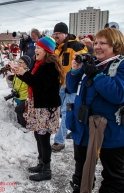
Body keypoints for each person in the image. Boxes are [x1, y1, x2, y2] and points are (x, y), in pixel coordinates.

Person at [66, 28, 124, 193]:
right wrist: (75, 70)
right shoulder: (93, 64)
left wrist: (97, 75)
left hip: (110, 133)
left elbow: (119, 94)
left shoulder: (121, 65)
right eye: (96, 43)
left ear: (115, 45)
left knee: (113, 177)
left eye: (103, 43)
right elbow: (71, 88)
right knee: (81, 173)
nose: (97, 46)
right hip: (84, 129)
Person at [14, 36, 64, 181]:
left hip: (47, 107)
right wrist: (20, 73)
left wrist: (24, 74)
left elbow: (41, 86)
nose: (35, 50)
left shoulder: (50, 66)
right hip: (38, 105)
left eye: (39, 48)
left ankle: (46, 170)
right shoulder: (39, 64)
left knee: (44, 137)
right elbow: (33, 82)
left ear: (47, 50)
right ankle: (41, 163)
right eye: (35, 47)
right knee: (38, 135)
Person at [51, 22, 87, 152]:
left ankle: (59, 141)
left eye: (58, 33)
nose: (55, 36)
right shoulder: (57, 48)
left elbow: (84, 63)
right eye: (54, 33)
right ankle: (72, 128)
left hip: (73, 88)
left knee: (67, 112)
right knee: (61, 112)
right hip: (61, 86)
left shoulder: (76, 47)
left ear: (65, 34)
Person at [6, 55, 31, 129]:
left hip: (25, 97)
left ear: (26, 64)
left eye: (21, 62)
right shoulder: (17, 72)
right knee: (19, 112)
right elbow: (13, 83)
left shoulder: (28, 74)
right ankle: (19, 124)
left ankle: (25, 126)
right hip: (18, 96)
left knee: (19, 110)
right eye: (18, 62)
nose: (18, 64)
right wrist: (9, 78)